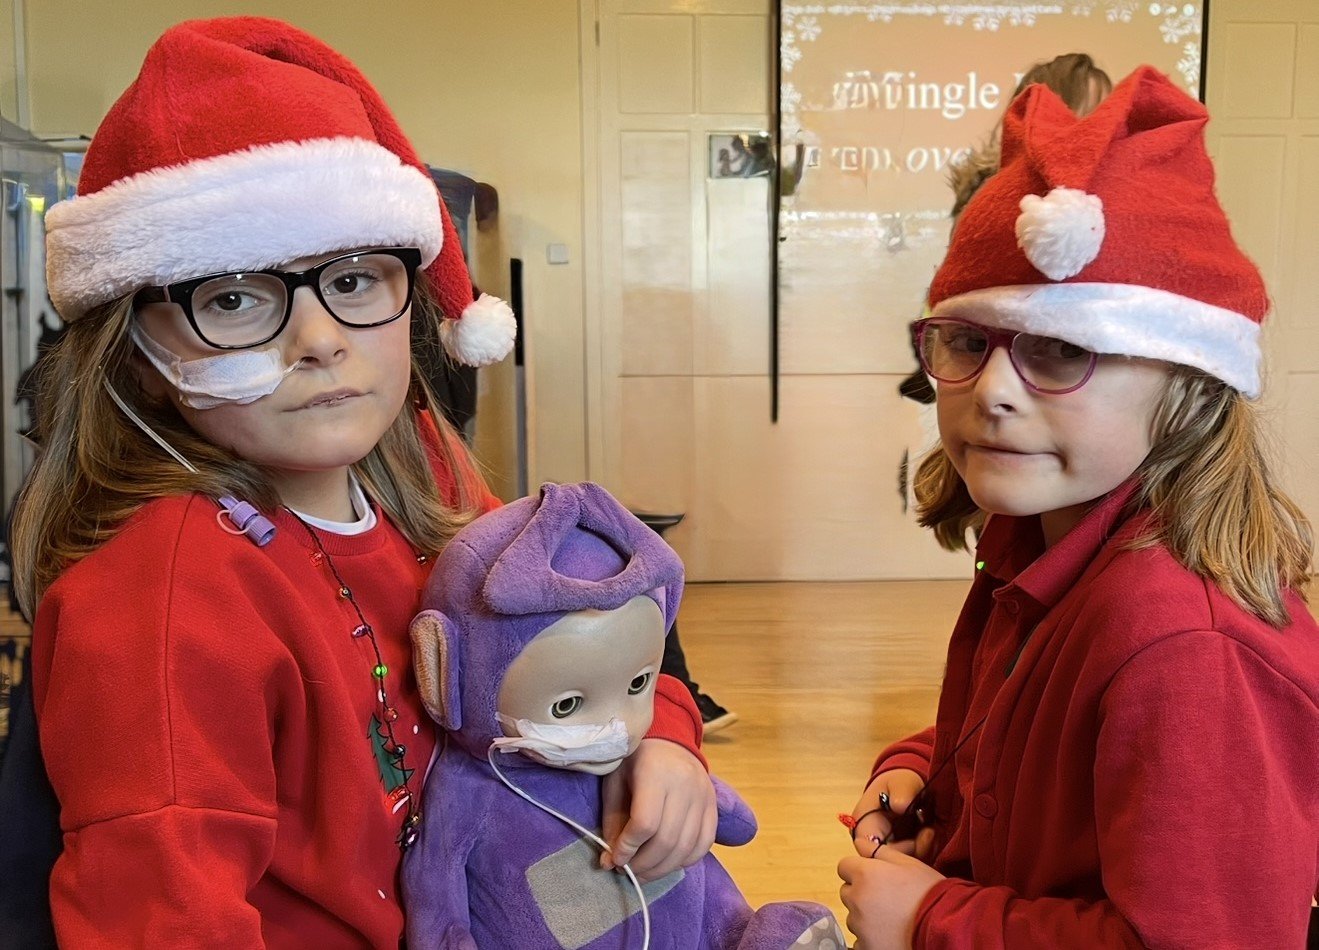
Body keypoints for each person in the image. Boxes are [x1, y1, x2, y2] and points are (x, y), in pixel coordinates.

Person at [8, 17, 715, 948]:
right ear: (136, 354)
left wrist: (664, 736)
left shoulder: (424, 473)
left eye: (351, 281)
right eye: (232, 299)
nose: (319, 339)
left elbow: (568, 640)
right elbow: (163, 915)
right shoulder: (164, 598)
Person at [839, 67, 1318, 948]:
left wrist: (933, 920)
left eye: (1061, 350)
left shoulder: (1185, 645)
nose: (991, 391)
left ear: (1188, 388)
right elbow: (1028, 738)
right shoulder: (1035, 543)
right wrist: (922, 771)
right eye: (966, 340)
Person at [899, 53, 1113, 408]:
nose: (1101, 127)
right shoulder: (992, 198)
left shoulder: (1110, 197)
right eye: (1089, 112)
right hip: (1003, 374)